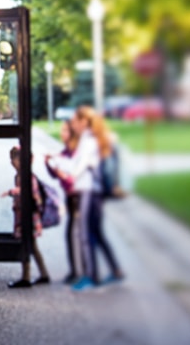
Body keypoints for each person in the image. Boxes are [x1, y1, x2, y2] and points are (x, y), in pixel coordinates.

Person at [68, 106, 125, 290]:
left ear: (84, 122)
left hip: (89, 191)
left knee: (86, 233)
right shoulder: (95, 137)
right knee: (97, 233)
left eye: (75, 121)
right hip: (95, 191)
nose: (73, 125)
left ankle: (91, 276)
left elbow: (83, 163)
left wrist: (72, 176)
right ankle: (116, 270)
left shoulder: (89, 139)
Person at [2, 147, 50, 288]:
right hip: (24, 215)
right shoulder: (21, 175)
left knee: (26, 245)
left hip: (27, 216)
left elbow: (31, 193)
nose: (12, 162)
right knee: (32, 246)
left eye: (14, 159)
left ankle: (26, 277)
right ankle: (43, 274)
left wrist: (13, 192)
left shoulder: (26, 176)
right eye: (11, 159)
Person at [45, 120, 81, 284]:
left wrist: (60, 172)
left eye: (65, 130)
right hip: (71, 197)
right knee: (75, 235)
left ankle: (80, 272)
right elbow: (55, 175)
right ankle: (77, 271)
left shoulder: (75, 153)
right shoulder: (66, 152)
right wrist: (48, 165)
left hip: (79, 197)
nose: (62, 133)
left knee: (78, 235)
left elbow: (70, 179)